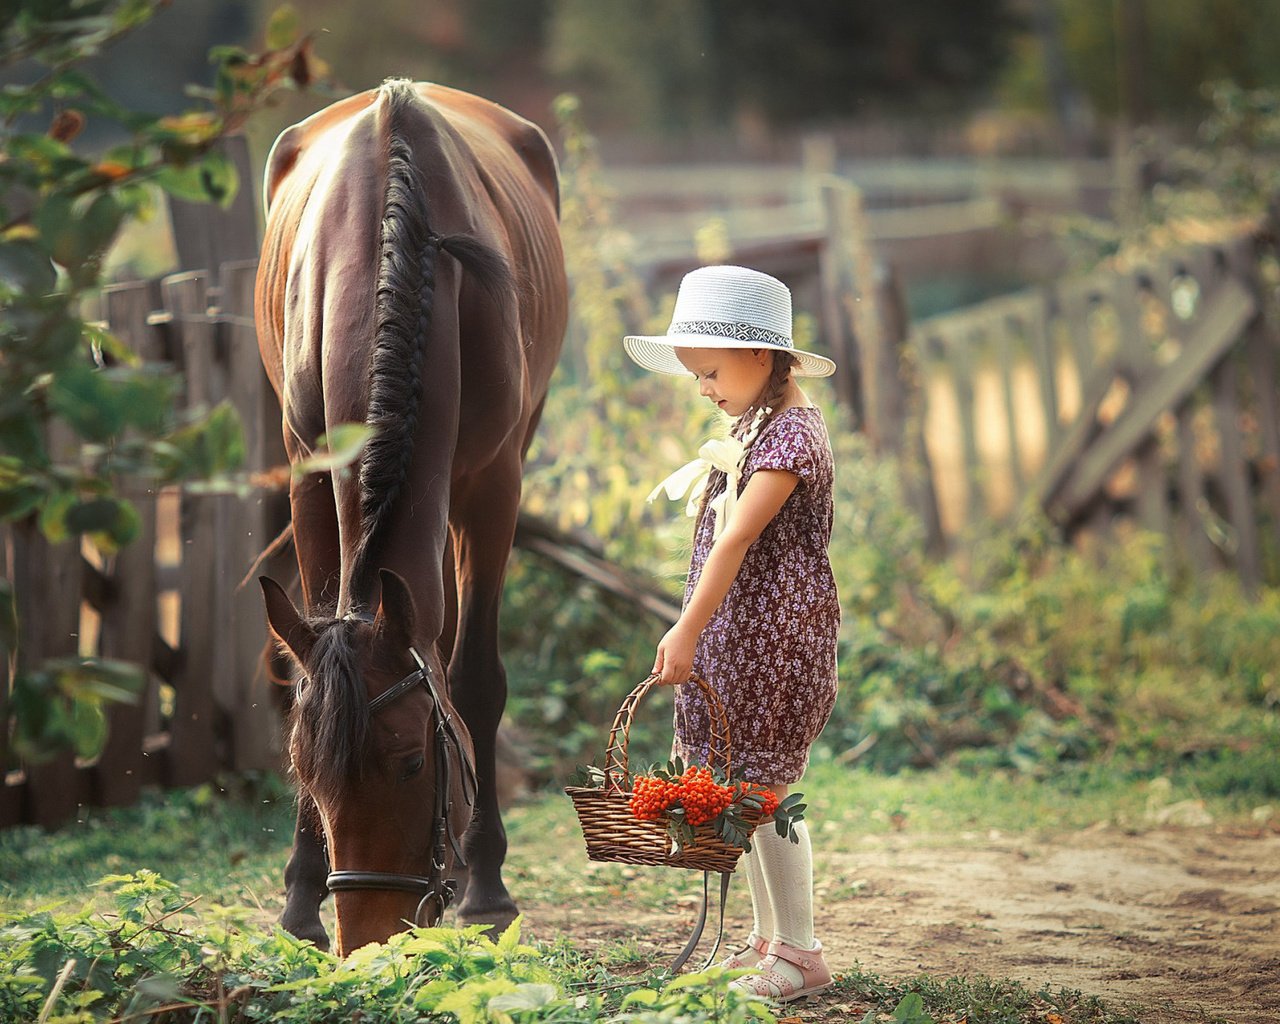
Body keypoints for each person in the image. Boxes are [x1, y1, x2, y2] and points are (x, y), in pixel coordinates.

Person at [623, 264, 840, 1002]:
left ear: (759, 356)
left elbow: (737, 540)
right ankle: (767, 940)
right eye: (696, 377)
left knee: (765, 792)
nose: (705, 389)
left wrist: (685, 629)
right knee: (738, 793)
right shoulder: (756, 425)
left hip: (775, 642)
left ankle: (802, 952)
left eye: (710, 372)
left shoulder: (792, 439)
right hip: (740, 636)